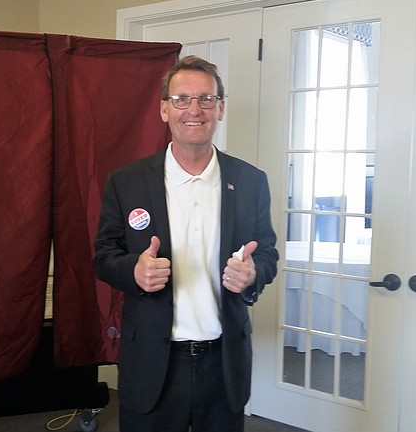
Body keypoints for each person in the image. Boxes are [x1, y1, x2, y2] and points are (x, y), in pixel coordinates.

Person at [94, 55, 279, 432]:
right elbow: (104, 256)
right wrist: (134, 270)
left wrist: (253, 273)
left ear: (220, 108)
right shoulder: (126, 182)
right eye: (181, 99)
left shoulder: (250, 181)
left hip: (223, 363)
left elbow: (269, 254)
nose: (194, 110)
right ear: (164, 109)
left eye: (206, 99)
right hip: (153, 361)